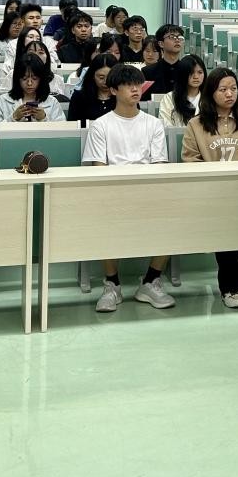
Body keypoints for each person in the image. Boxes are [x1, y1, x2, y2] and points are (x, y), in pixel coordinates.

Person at [81, 65, 174, 312]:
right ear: (113, 90)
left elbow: (159, 166)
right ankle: (112, 285)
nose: (135, 89)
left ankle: (151, 281)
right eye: (128, 85)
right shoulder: (101, 125)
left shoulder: (154, 124)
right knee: (102, 215)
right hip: (113, 193)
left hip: (148, 191)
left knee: (172, 216)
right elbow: (99, 169)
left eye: (138, 84)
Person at [180, 67, 238, 309]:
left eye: (234, 89)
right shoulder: (196, 125)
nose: (230, 94)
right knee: (225, 231)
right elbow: (190, 159)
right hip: (213, 194)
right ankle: (229, 287)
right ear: (211, 92)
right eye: (223, 89)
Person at [0, 54, 65, 123]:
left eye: (34, 78)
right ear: (17, 79)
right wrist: (13, 118)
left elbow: (62, 130)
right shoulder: (2, 101)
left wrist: (44, 119)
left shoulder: (52, 102)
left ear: (41, 79)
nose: (29, 83)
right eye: (24, 78)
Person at [66, 52, 121, 122]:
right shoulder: (79, 97)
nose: (105, 82)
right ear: (93, 76)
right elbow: (72, 124)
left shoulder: (123, 96)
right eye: (101, 77)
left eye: (110, 77)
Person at [160, 54, 206, 126]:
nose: (196, 77)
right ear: (183, 74)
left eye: (200, 72)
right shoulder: (169, 98)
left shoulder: (208, 98)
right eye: (191, 72)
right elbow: (165, 125)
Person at [142, 23, 187, 94]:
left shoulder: (188, 70)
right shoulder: (147, 72)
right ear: (161, 44)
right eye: (172, 37)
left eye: (180, 37)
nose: (177, 40)